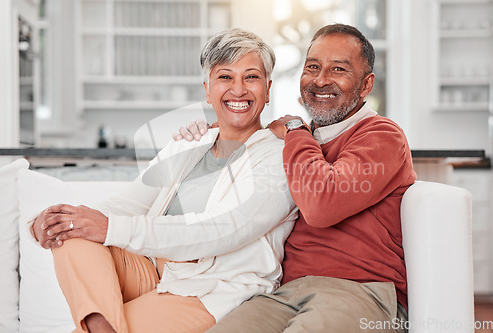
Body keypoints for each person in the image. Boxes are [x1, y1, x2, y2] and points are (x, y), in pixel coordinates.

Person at [28, 28, 297, 333]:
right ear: (207, 90)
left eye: (251, 77)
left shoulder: (279, 157)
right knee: (73, 232)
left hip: (210, 291)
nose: (239, 89)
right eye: (225, 77)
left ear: (268, 88)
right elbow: (128, 202)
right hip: (151, 271)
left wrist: (110, 227)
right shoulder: (190, 143)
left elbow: (218, 230)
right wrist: (51, 219)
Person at [176, 24, 417, 332]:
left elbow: (321, 205)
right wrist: (201, 137)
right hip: (285, 292)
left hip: (360, 291)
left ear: (366, 84)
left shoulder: (382, 135)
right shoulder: (295, 142)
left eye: (338, 69)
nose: (320, 80)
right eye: (312, 67)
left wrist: (295, 129)